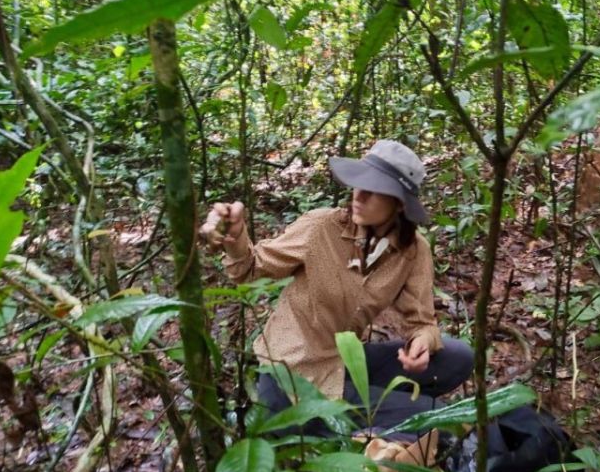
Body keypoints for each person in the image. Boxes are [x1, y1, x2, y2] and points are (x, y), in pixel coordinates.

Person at [199, 140, 473, 434]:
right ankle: (365, 417)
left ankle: (376, 408)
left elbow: (422, 322)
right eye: (359, 183)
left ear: (399, 204)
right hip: (292, 372)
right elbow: (252, 269)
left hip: (341, 360)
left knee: (459, 358)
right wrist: (235, 240)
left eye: (375, 189)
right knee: (437, 418)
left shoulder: (413, 250)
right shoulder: (321, 228)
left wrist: (421, 341)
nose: (359, 194)